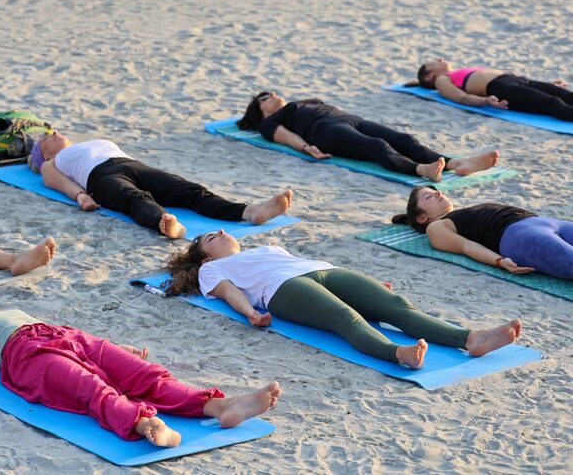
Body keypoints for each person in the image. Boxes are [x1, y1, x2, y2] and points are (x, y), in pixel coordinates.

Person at [0, 294, 281, 447]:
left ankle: (220, 407)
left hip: (66, 336)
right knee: (92, 389)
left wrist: (115, 347)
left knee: (144, 374)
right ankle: (144, 424)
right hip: (26, 356)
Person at [166, 230, 523, 369]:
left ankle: (471, 339)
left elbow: (300, 261)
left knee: (395, 306)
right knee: (345, 317)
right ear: (205, 257)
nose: (221, 232)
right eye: (211, 238)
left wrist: (372, 286)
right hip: (281, 289)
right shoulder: (212, 269)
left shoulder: (265, 247)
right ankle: (397, 354)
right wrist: (250, 314)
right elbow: (230, 293)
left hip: (322, 270)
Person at [30, 132, 292, 238]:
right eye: (46, 138)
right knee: (134, 198)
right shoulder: (51, 163)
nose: (53, 133)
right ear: (45, 154)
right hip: (99, 177)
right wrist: (80, 196)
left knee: (188, 190)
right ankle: (165, 224)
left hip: (132, 164)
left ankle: (249, 211)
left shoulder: (84, 144)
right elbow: (54, 180)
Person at [238, 91, 499, 182]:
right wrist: (307, 148)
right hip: (324, 131)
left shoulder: (303, 101)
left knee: (404, 139)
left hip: (350, 119)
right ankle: (422, 170)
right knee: (377, 146)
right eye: (265, 97)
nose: (272, 94)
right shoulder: (270, 123)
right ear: (262, 113)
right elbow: (285, 137)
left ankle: (457, 163)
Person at [392, 186, 573, 279]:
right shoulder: (435, 227)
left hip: (545, 222)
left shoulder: (460, 213)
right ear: (422, 218)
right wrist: (499, 261)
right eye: (428, 196)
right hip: (519, 237)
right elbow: (467, 247)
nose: (438, 193)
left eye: (435, 191)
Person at [413, 58, 573, 121]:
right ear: (429, 76)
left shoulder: (456, 73)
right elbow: (463, 98)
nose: (439, 59)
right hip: (501, 88)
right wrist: (485, 100)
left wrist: (547, 84)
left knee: (565, 94)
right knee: (554, 103)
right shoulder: (441, 80)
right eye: (433, 62)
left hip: (518, 80)